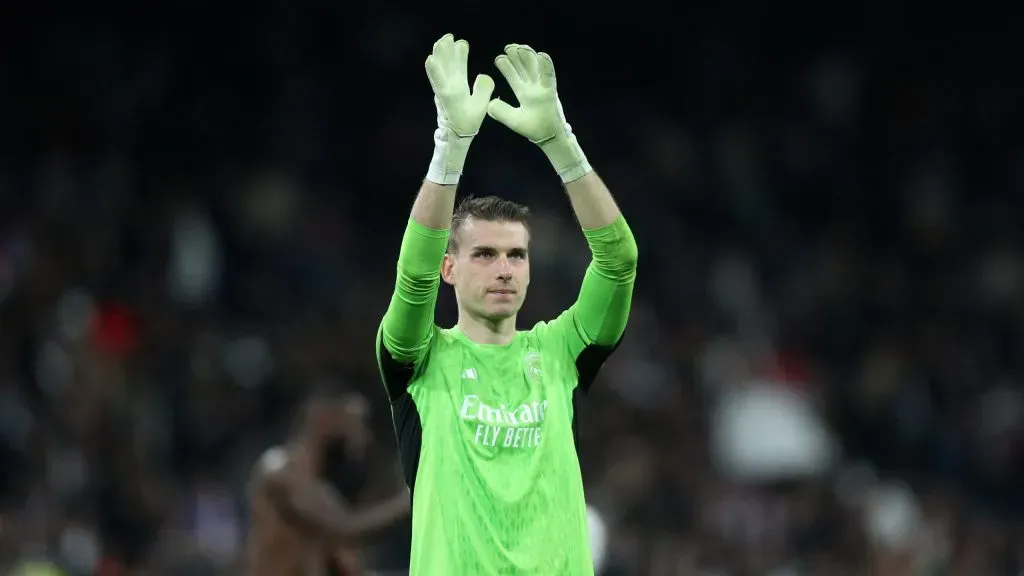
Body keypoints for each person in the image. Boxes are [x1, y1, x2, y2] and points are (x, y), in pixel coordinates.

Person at [376, 34, 638, 575]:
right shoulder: (420, 360)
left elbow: (618, 261)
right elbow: (413, 280)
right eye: (485, 254)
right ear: (450, 268)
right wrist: (450, 147)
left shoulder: (562, 351)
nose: (504, 268)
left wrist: (561, 143)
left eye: (517, 255)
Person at [246, 391, 410, 576]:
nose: (365, 436)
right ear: (326, 420)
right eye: (357, 423)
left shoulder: (324, 495)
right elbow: (346, 529)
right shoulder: (279, 470)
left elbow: (352, 570)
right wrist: (411, 499)